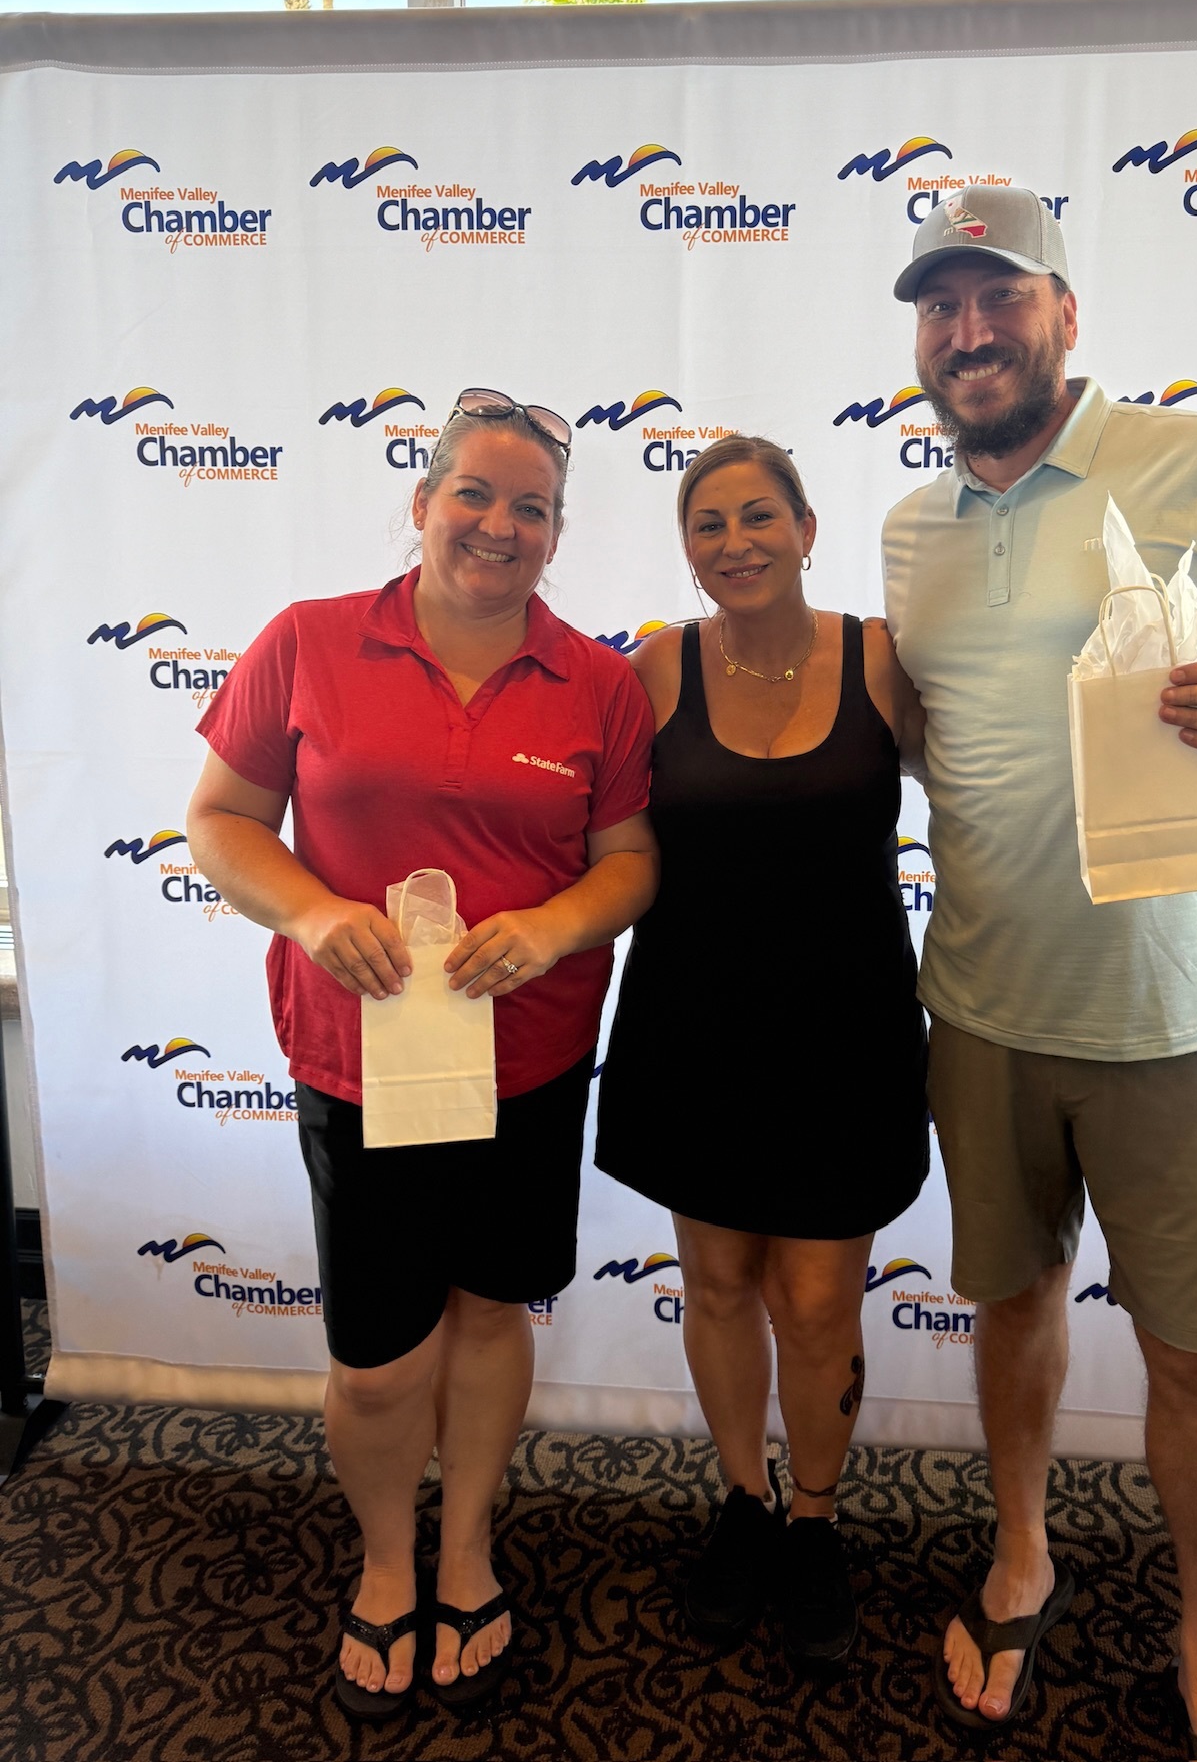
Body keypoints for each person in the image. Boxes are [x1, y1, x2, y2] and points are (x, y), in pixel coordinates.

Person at [881, 190, 1197, 1759]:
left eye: (1000, 297)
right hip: (983, 1006)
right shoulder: (910, 530)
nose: (970, 332)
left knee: (1196, 1358)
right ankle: (1022, 1555)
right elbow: (931, 743)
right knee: (1011, 1306)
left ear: (1065, 314)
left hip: (1180, 1012)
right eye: (941, 306)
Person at [185, 391, 657, 1722]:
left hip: (529, 1066)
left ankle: (466, 1549)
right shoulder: (308, 641)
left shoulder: (600, 682)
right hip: (358, 1063)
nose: (500, 526)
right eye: (476, 495)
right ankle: (388, 1560)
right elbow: (219, 819)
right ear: (423, 500)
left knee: (492, 1314)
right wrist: (309, 910)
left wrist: (554, 925)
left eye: (532, 508)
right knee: (382, 1357)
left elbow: (630, 860)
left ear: (557, 532)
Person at [597, 434, 930, 1669]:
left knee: (821, 1299)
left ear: (805, 527)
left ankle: (815, 1517)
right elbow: (596, 834)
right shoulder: (651, 670)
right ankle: (744, 1497)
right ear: (688, 548)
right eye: (708, 523)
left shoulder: (883, 656)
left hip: (848, 1031)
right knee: (722, 1281)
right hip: (696, 1029)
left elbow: (995, 783)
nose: (734, 542)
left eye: (757, 515)